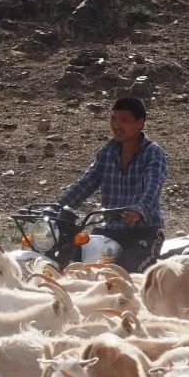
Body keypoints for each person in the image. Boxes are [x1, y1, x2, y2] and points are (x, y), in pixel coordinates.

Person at [56, 96, 168, 272]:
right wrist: (57, 207)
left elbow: (152, 187)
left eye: (124, 120)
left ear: (140, 123)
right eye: (113, 119)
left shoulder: (153, 153)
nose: (117, 125)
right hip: (108, 231)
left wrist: (139, 209)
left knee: (127, 275)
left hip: (142, 232)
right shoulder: (107, 152)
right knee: (77, 265)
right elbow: (85, 183)